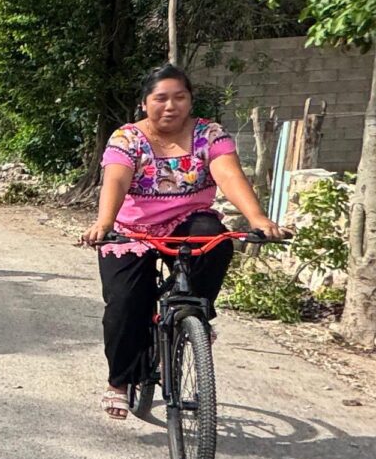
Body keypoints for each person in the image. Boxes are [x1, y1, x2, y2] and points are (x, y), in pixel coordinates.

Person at [80, 64, 288, 420]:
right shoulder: (127, 138)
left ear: (190, 101)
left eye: (180, 97)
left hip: (186, 222)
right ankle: (118, 383)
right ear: (145, 103)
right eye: (160, 98)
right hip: (133, 228)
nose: (170, 106)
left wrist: (258, 219)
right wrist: (104, 223)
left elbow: (229, 174)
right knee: (125, 303)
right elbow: (115, 180)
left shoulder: (209, 134)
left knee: (217, 240)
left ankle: (195, 314)